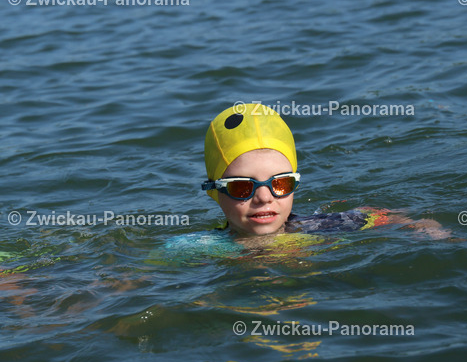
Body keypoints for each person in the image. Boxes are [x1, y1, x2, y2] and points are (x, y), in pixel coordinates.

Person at [163, 104, 446, 258]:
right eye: (242, 187)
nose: (264, 198)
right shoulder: (195, 249)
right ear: (215, 192)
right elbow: (150, 276)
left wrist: (421, 225)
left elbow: (378, 215)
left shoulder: (323, 227)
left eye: (280, 184)